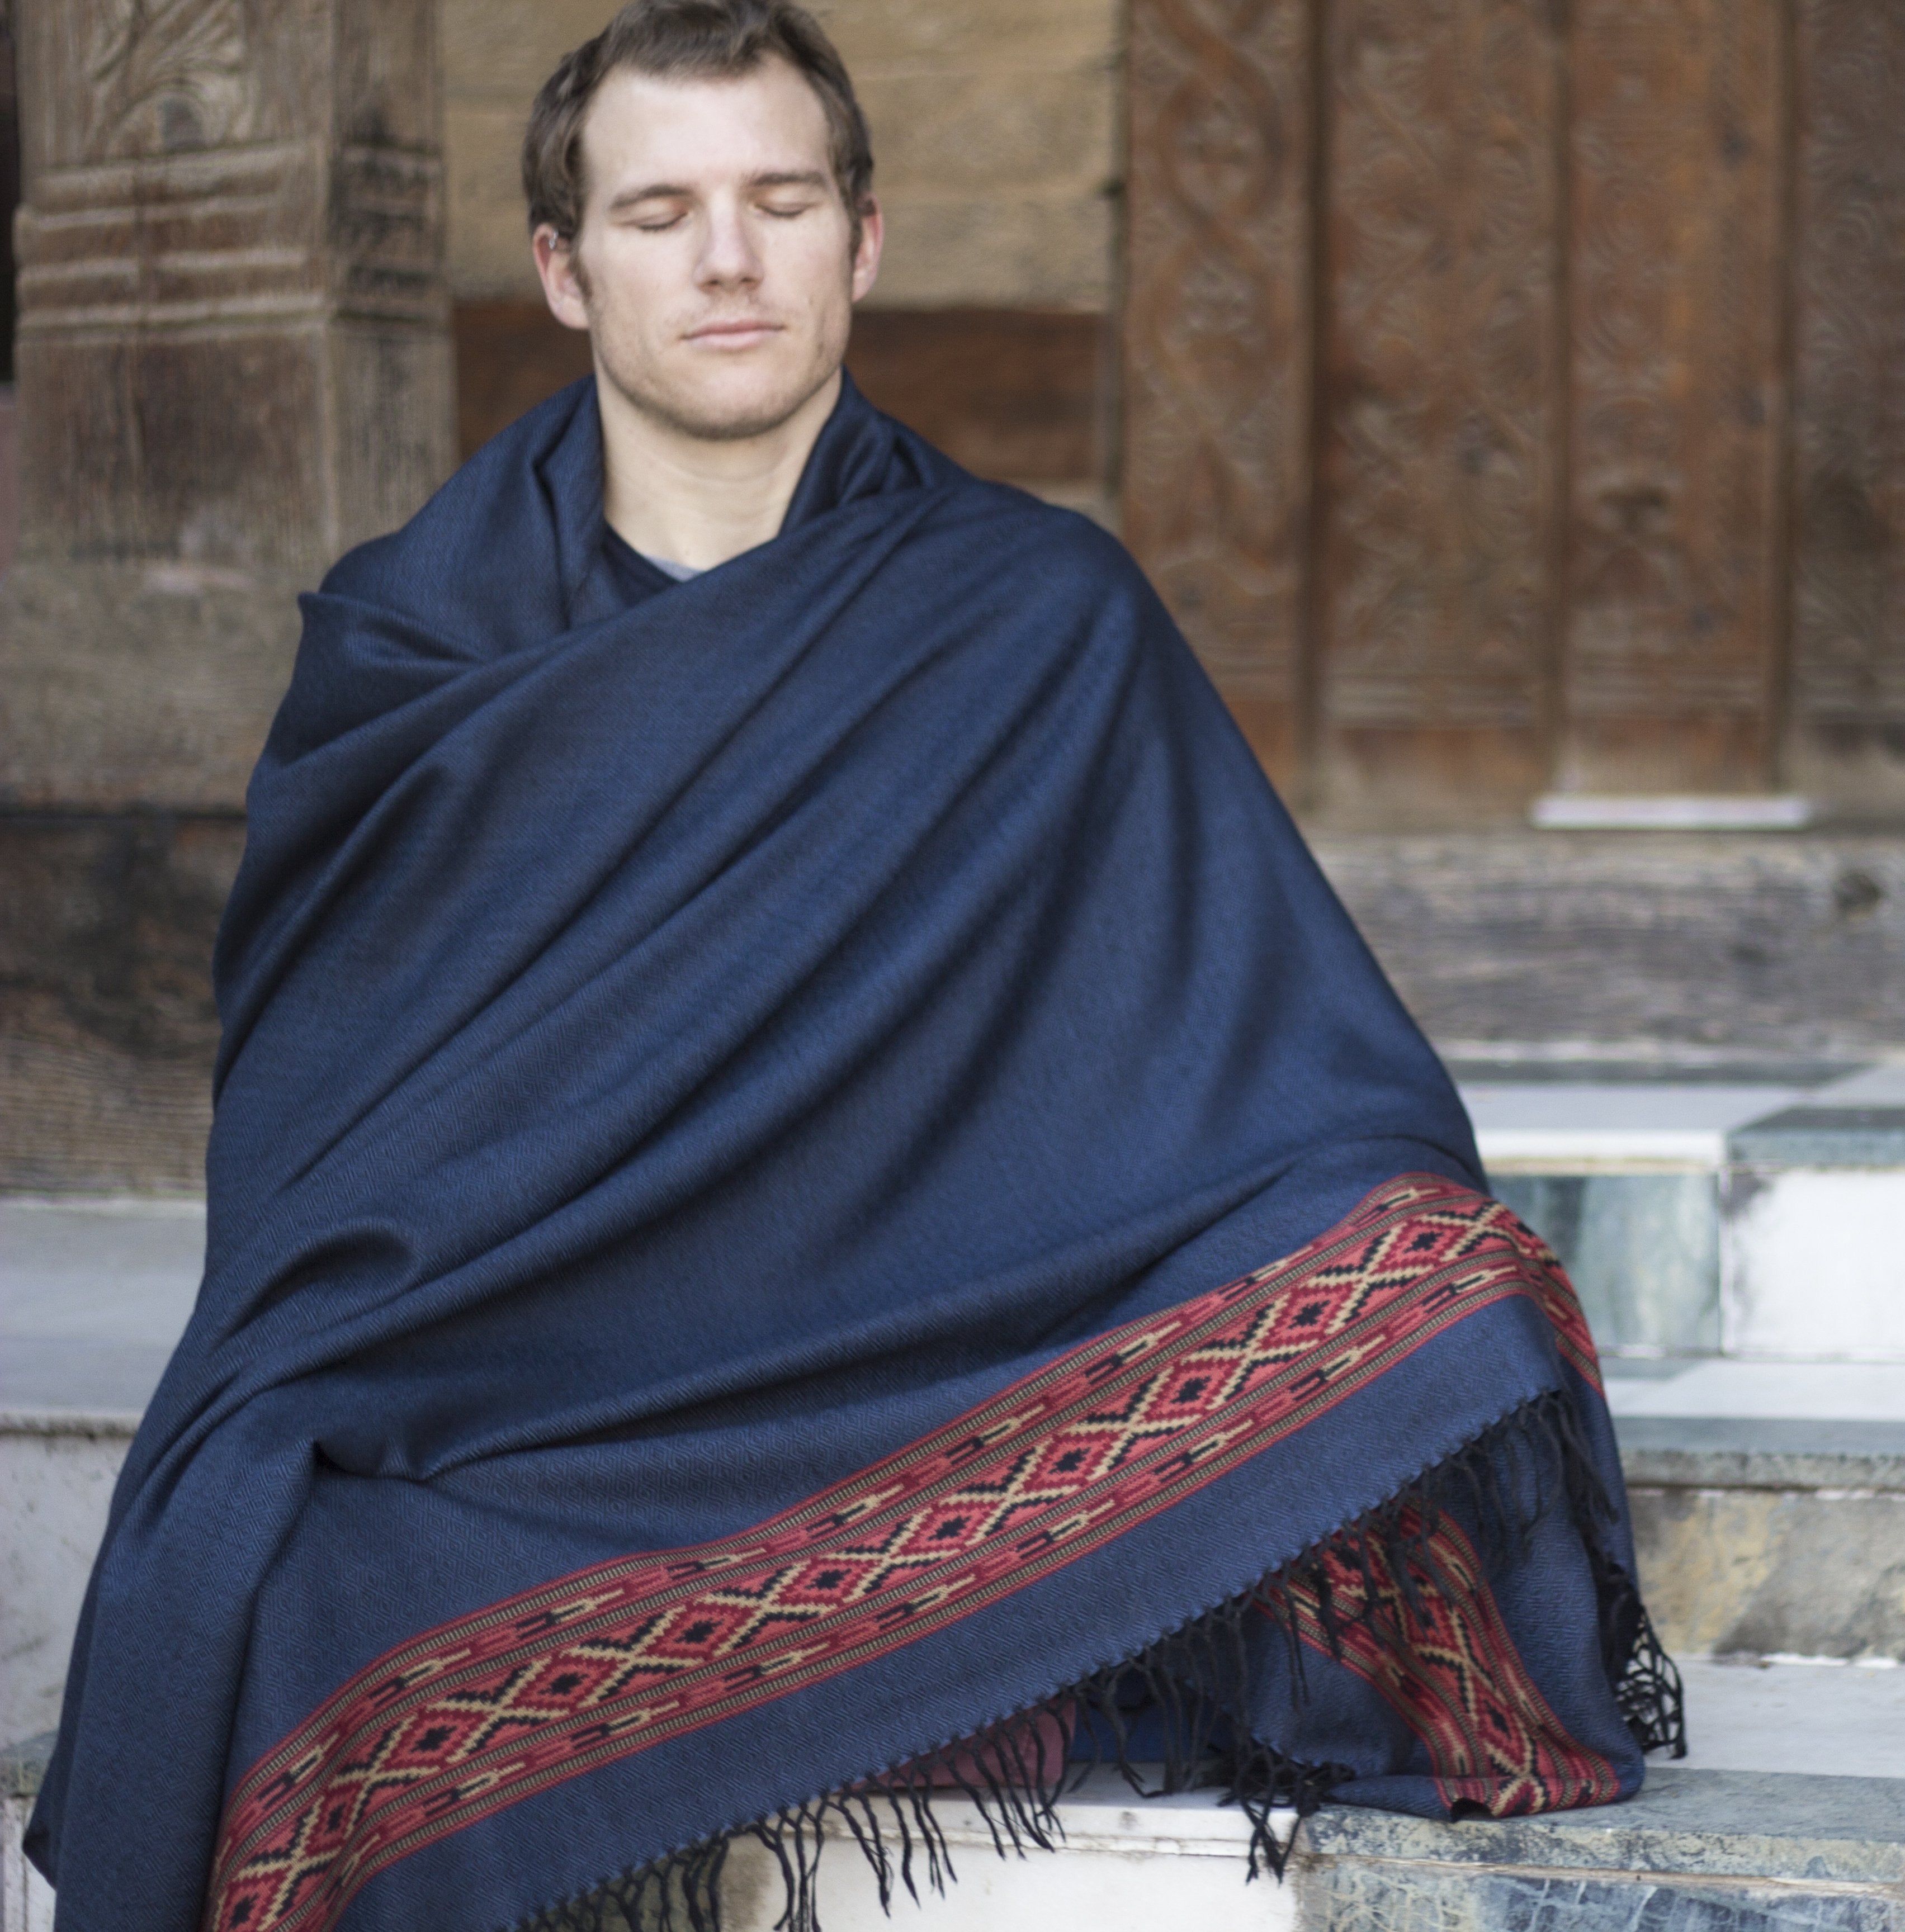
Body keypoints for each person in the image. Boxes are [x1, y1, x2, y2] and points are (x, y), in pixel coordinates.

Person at [20, 4, 1680, 1927]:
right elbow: (334, 1173)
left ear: (860, 240)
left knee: (1428, 1281)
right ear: (564, 271)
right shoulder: (411, 666)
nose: (726, 260)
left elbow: (1280, 1048)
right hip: (562, 1401)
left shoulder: (1036, 612)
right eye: (658, 213)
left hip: (932, 1355)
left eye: (777, 200)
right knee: (302, 1586)